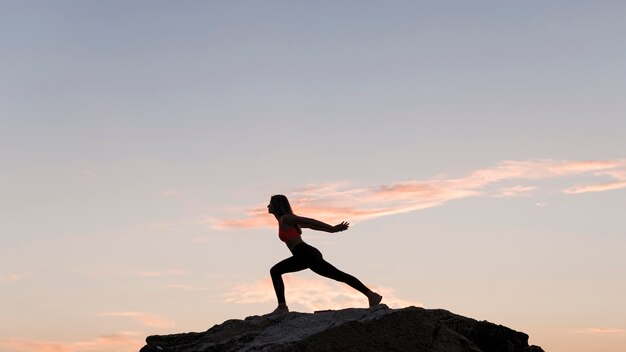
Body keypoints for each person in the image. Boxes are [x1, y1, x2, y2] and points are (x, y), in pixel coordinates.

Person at [267, 194, 382, 314]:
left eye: (270, 203)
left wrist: (332, 229)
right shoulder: (284, 221)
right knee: (338, 275)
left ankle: (282, 307)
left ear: (277, 205)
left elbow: (309, 221)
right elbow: (311, 226)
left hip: (304, 253)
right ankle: (372, 295)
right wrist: (331, 230)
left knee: (275, 271)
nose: (268, 206)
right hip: (307, 254)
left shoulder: (286, 218)